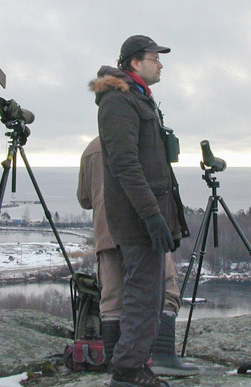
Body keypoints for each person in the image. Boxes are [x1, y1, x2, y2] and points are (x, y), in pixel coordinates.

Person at [89, 35, 190, 386]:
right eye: (154, 58)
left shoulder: (139, 99)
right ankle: (128, 371)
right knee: (143, 296)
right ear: (135, 63)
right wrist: (151, 215)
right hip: (137, 219)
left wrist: (167, 217)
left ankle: (134, 365)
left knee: (152, 295)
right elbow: (125, 165)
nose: (160, 64)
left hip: (147, 215)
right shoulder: (119, 101)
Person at [77, 136, 199, 377]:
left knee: (112, 299)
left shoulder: (90, 149)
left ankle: (116, 363)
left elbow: (84, 199)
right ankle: (163, 355)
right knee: (164, 288)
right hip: (143, 229)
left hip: (106, 232)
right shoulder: (143, 141)